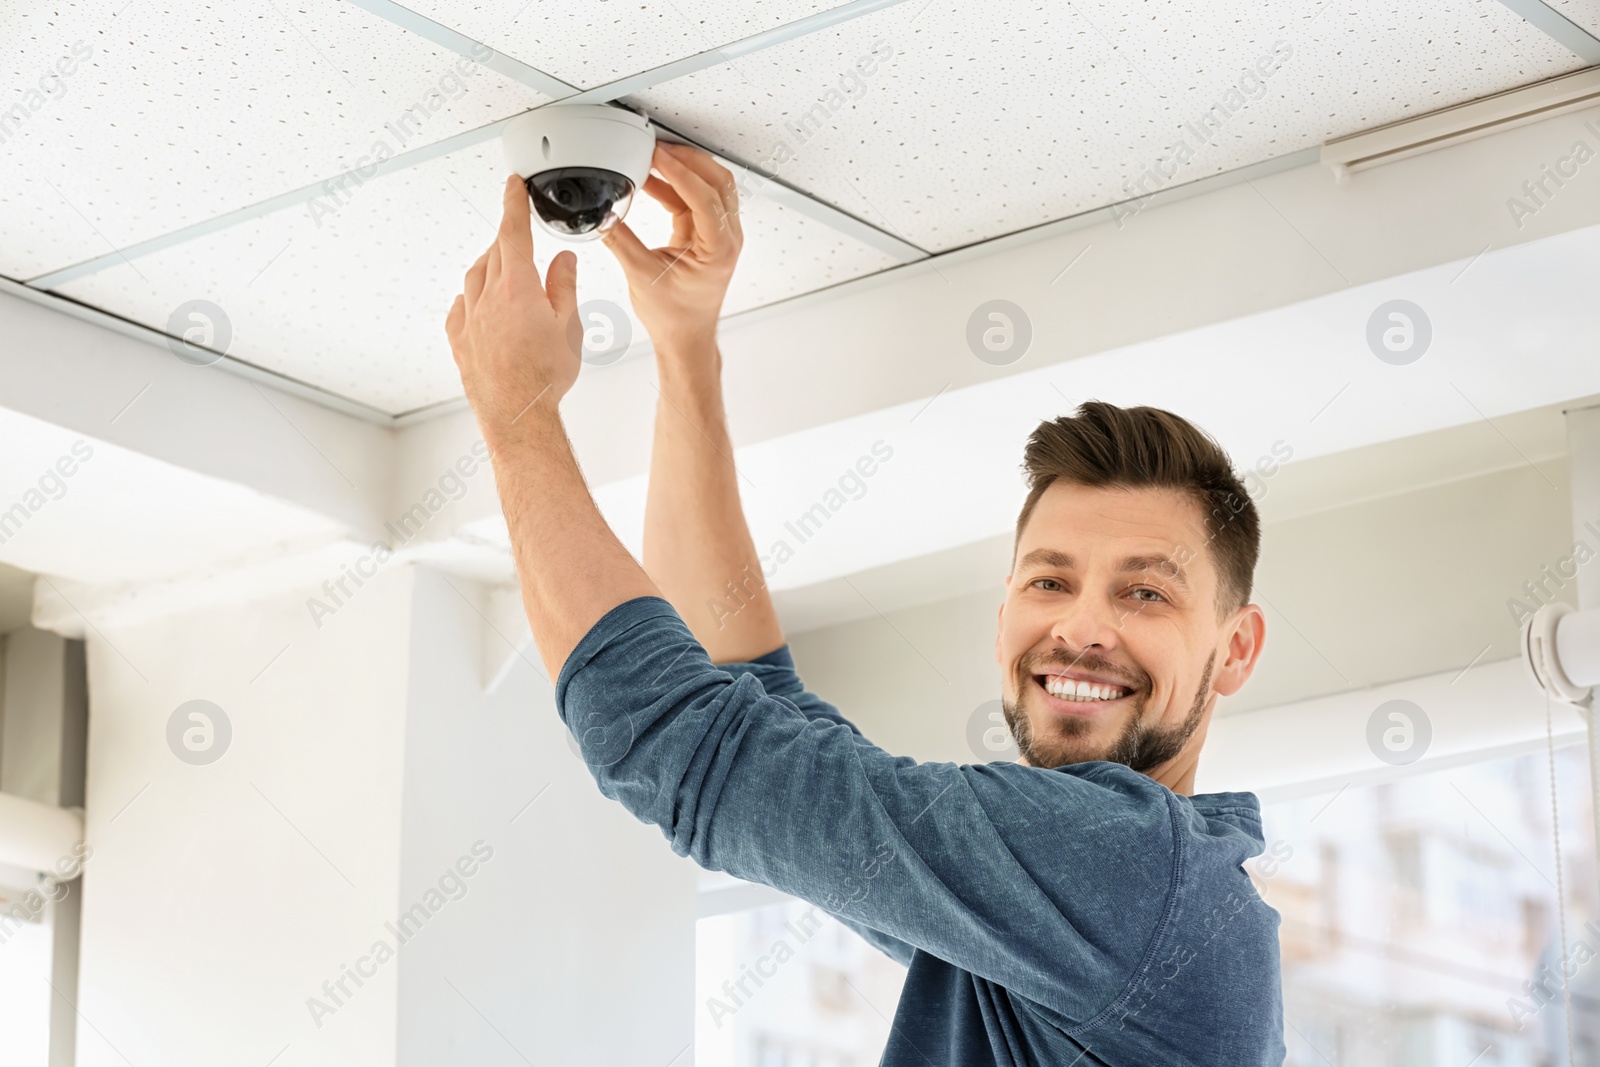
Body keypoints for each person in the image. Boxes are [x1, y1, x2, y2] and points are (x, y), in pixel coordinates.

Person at [444, 141, 1286, 1066]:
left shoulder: (1130, 874)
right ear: (1002, 609)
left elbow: (676, 737)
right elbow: (746, 706)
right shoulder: (1084, 919)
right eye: (1050, 580)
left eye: (1145, 592)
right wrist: (685, 346)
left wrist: (517, 414)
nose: (1081, 628)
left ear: (1236, 648)